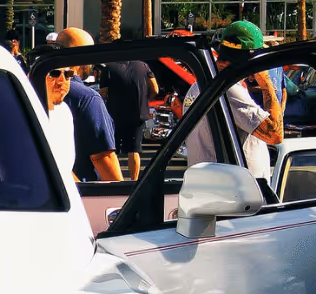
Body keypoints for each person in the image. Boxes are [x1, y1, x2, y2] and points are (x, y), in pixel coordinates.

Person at [183, 20, 283, 182]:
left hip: (215, 189)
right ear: (251, 57)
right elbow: (275, 134)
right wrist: (267, 85)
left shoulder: (201, 85)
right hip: (236, 195)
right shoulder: (228, 89)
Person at [53, 27, 124, 182]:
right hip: (85, 193)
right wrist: (124, 198)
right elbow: (102, 157)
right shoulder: (88, 98)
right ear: (81, 56)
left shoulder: (33, 88)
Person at [99, 59, 159, 180]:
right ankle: (134, 181)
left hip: (114, 114)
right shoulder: (143, 66)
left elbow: (103, 93)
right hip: (137, 114)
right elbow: (155, 89)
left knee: (112, 150)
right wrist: (145, 99)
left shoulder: (108, 67)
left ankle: (115, 180)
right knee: (134, 150)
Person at [45, 66, 76, 176]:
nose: (62, 81)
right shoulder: (24, 112)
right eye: (54, 73)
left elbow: (64, 170)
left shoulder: (64, 111)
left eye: (68, 74)